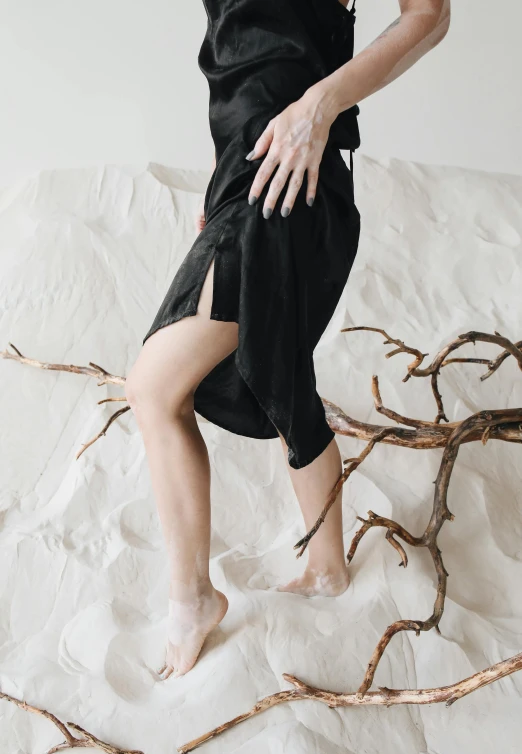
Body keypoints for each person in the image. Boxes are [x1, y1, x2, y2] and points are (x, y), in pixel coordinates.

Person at [125, 0, 451, 681]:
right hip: (247, 172)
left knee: (155, 386)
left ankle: (192, 600)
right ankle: (328, 566)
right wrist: (220, 187)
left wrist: (321, 105)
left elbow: (430, 14)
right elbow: (242, 63)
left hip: (294, 168)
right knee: (276, 364)